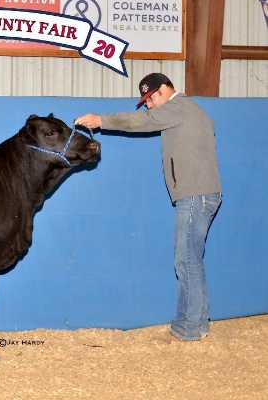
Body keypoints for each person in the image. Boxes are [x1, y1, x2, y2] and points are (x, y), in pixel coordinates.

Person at [75, 73, 222, 342]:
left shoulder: (178, 108)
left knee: (185, 261)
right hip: (205, 194)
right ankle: (199, 324)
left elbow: (141, 122)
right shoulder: (196, 111)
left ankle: (186, 329)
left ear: (166, 89)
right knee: (193, 261)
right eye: (146, 101)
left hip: (194, 195)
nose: (149, 105)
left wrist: (101, 120)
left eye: (152, 97)